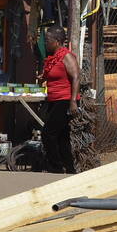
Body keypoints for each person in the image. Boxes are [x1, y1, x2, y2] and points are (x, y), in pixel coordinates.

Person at [38, 26, 79, 174]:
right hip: (54, 99)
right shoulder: (54, 57)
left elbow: (76, 77)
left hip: (65, 100)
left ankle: (55, 166)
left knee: (48, 133)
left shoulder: (67, 56)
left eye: (48, 40)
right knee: (62, 136)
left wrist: (73, 101)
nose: (46, 43)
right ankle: (69, 168)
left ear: (57, 41)